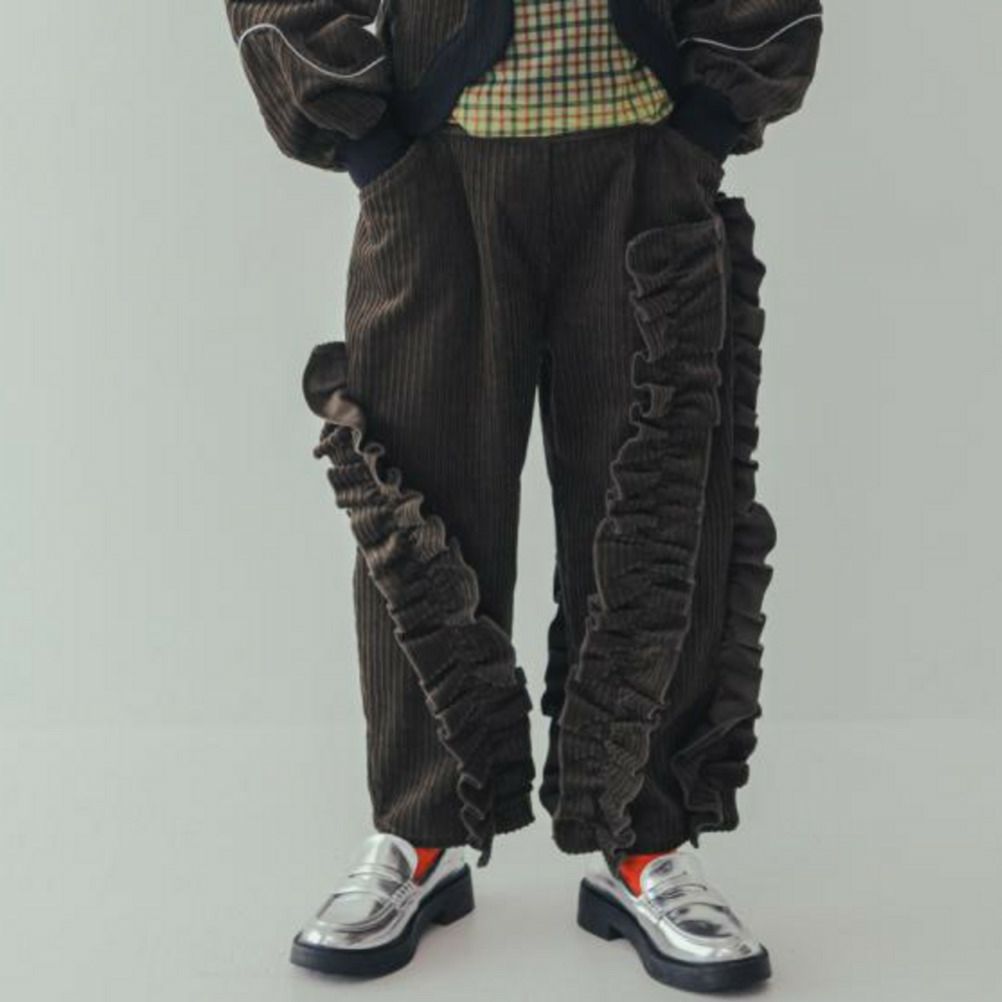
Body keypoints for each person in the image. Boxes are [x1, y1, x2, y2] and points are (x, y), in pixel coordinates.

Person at [225, 0, 822, 991]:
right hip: (435, 173)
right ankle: (420, 830)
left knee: (657, 498)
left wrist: (708, 125)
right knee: (423, 504)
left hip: (644, 167)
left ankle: (646, 842)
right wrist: (370, 144)